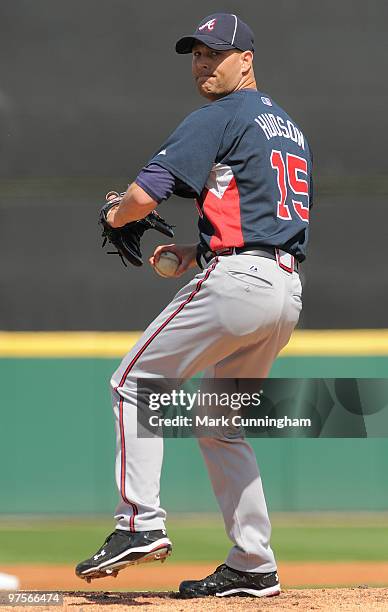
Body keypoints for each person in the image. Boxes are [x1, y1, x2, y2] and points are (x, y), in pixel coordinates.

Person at [76, 13, 313, 598]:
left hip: (240, 284)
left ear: (246, 59)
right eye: (197, 54)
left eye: (216, 52)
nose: (203, 63)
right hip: (283, 290)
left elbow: (141, 194)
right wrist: (197, 249)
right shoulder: (287, 127)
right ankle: (254, 562)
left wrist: (115, 214)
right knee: (221, 426)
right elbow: (264, 213)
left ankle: (138, 524)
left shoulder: (221, 114)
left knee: (134, 381)